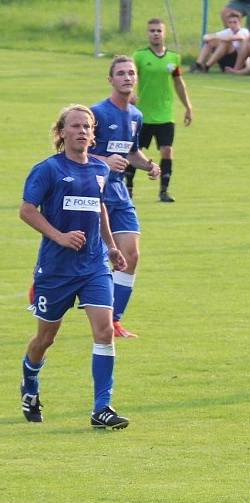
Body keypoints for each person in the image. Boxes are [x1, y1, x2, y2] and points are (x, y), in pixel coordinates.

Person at [20, 104, 130, 429]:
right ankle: (30, 382)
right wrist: (60, 236)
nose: (82, 131)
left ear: (92, 133)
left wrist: (111, 247)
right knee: (46, 338)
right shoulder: (48, 170)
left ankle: (102, 408)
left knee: (105, 330)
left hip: (94, 265)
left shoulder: (99, 169)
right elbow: (27, 210)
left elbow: (99, 208)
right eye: (75, 126)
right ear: (62, 132)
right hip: (55, 270)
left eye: (87, 126)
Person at [91, 56, 162, 339]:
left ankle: (114, 319)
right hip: (94, 194)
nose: (127, 77)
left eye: (131, 73)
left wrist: (148, 165)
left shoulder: (136, 115)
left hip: (120, 193)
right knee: (82, 254)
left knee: (131, 254)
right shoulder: (97, 113)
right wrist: (104, 161)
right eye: (120, 73)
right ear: (110, 80)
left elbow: (131, 152)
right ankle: (42, 283)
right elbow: (76, 153)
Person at [126, 18, 193, 203]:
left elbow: (178, 83)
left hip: (165, 115)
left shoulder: (173, 58)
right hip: (142, 115)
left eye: (158, 30)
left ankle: (164, 191)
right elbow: (130, 78)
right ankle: (128, 189)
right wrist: (130, 95)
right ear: (148, 34)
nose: (155, 33)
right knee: (133, 152)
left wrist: (188, 107)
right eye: (152, 30)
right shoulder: (139, 56)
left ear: (164, 33)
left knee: (167, 151)